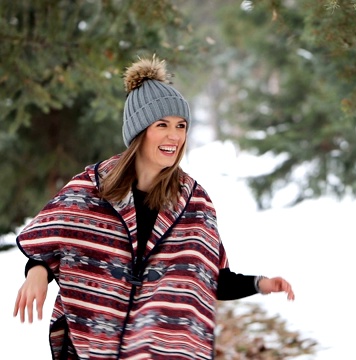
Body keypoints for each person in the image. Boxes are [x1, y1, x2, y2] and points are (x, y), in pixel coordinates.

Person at [12, 55, 295, 360]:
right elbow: (50, 246)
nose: (174, 136)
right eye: (162, 125)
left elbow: (209, 276)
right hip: (92, 342)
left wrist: (259, 284)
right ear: (139, 131)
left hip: (159, 349)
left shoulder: (194, 202)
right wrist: (37, 272)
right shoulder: (91, 188)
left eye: (181, 125)